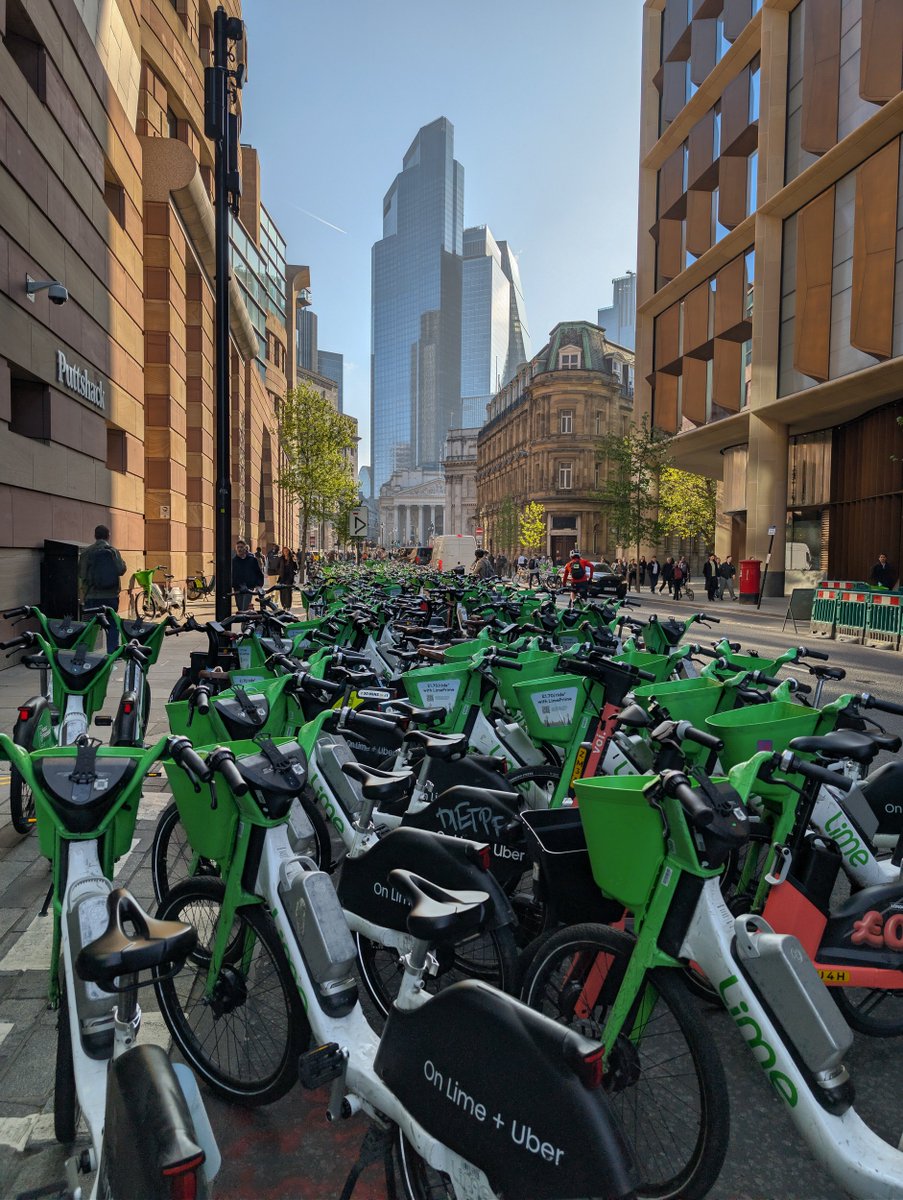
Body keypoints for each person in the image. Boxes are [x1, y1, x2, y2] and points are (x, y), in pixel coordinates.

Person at [79, 525, 127, 653]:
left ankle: (85, 652)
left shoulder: (87, 552)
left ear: (95, 536)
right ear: (108, 536)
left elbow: (82, 574)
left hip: (92, 596)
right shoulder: (113, 551)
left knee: (90, 625)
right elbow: (121, 570)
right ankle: (112, 652)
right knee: (112, 624)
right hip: (111, 595)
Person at [232, 538, 264, 611]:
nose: (239, 549)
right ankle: (246, 621)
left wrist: (259, 585)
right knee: (240, 607)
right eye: (238, 547)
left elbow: (258, 573)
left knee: (245, 607)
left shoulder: (252, 560)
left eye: (241, 547)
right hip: (238, 588)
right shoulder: (234, 561)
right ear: (236, 549)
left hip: (249, 587)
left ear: (245, 548)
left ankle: (244, 622)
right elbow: (232, 575)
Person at [276, 546, 297, 610]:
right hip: (282, 577)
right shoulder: (280, 558)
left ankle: (288, 605)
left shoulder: (291, 558)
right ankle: (283, 605)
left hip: (289, 577)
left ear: (289, 552)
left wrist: (294, 561)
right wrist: (280, 572)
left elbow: (296, 567)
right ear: (282, 552)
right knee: (282, 591)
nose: (286, 552)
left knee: (288, 591)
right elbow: (277, 567)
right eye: (284, 551)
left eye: (287, 551)